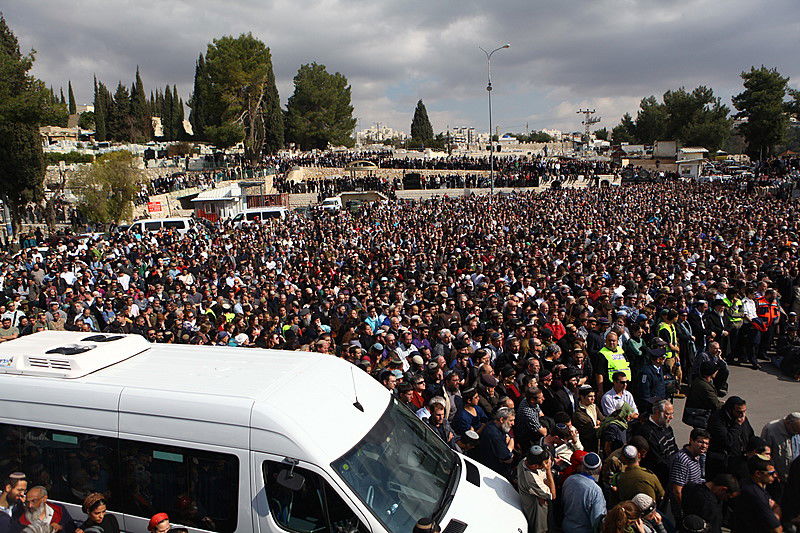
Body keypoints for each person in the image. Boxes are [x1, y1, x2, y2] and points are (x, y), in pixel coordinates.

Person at [631, 399, 678, 486]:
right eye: (667, 414)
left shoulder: (667, 427)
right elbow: (657, 460)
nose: (671, 417)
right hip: (656, 477)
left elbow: (674, 449)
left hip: (670, 473)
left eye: (672, 414)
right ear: (657, 412)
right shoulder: (647, 432)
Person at [706, 396, 755, 478]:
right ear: (730, 410)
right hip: (722, 464)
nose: (742, 415)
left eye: (744, 411)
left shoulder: (741, 418)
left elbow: (750, 435)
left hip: (740, 460)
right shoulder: (717, 419)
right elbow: (727, 441)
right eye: (739, 412)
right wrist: (737, 425)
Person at [731, 456, 782, 533]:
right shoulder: (755, 494)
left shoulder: (754, 486)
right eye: (771, 473)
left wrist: (774, 516)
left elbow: (775, 506)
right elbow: (777, 529)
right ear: (758, 474)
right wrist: (775, 517)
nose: (775, 476)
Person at [562, 452, 606, 533]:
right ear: (599, 468)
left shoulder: (569, 480)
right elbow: (597, 519)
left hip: (566, 527)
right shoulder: (595, 490)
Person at [517, 445, 556, 533]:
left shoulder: (524, 461)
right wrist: (548, 470)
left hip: (535, 498)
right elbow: (553, 495)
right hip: (538, 512)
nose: (546, 465)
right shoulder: (531, 480)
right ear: (534, 466)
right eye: (543, 464)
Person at [669, 428, 711, 506]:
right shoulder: (682, 459)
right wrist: (683, 509)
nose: (704, 446)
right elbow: (677, 490)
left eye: (706, 443)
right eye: (700, 442)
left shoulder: (697, 456)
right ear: (691, 440)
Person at [478, 407, 515, 478]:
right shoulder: (494, 435)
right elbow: (507, 458)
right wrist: (510, 447)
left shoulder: (492, 425)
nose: (513, 423)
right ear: (501, 420)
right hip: (494, 470)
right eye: (510, 420)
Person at [760, 412, 800, 479]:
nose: (796, 434)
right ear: (787, 423)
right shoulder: (770, 430)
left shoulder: (797, 431)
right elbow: (764, 455)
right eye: (795, 431)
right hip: (778, 477)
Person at [684, 361, 722, 429]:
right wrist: (724, 404)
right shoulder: (705, 387)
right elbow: (715, 404)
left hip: (697, 415)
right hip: (701, 416)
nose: (717, 372)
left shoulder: (699, 381)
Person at [574, 385, 604, 453]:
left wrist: (600, 423)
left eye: (594, 396)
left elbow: (603, 420)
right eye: (590, 396)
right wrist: (598, 426)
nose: (593, 398)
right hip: (587, 445)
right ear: (582, 397)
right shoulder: (579, 414)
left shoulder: (594, 406)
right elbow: (588, 431)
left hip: (597, 443)